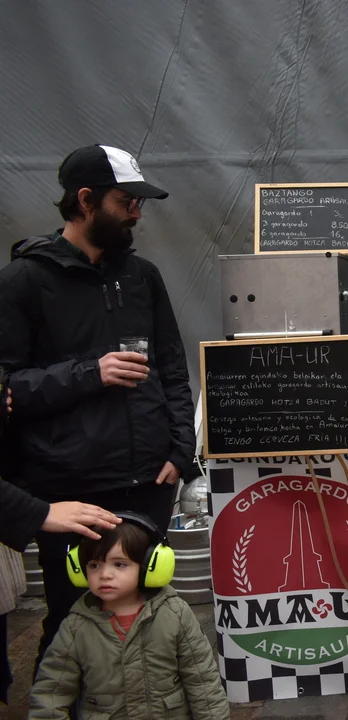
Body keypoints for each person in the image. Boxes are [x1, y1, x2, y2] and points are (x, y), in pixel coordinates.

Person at [0, 144, 196, 669]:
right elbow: (8, 388)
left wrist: (181, 447)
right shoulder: (23, 282)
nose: (137, 212)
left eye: (139, 202)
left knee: (147, 615)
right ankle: (65, 702)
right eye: (126, 201)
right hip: (71, 490)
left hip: (150, 482)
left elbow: (172, 367)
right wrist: (91, 373)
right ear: (85, 200)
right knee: (75, 623)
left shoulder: (142, 276)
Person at [29, 513, 230, 719]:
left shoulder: (174, 614)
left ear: (148, 566)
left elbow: (202, 681)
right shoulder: (76, 626)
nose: (105, 574)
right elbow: (51, 693)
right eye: (94, 565)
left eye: (119, 564)